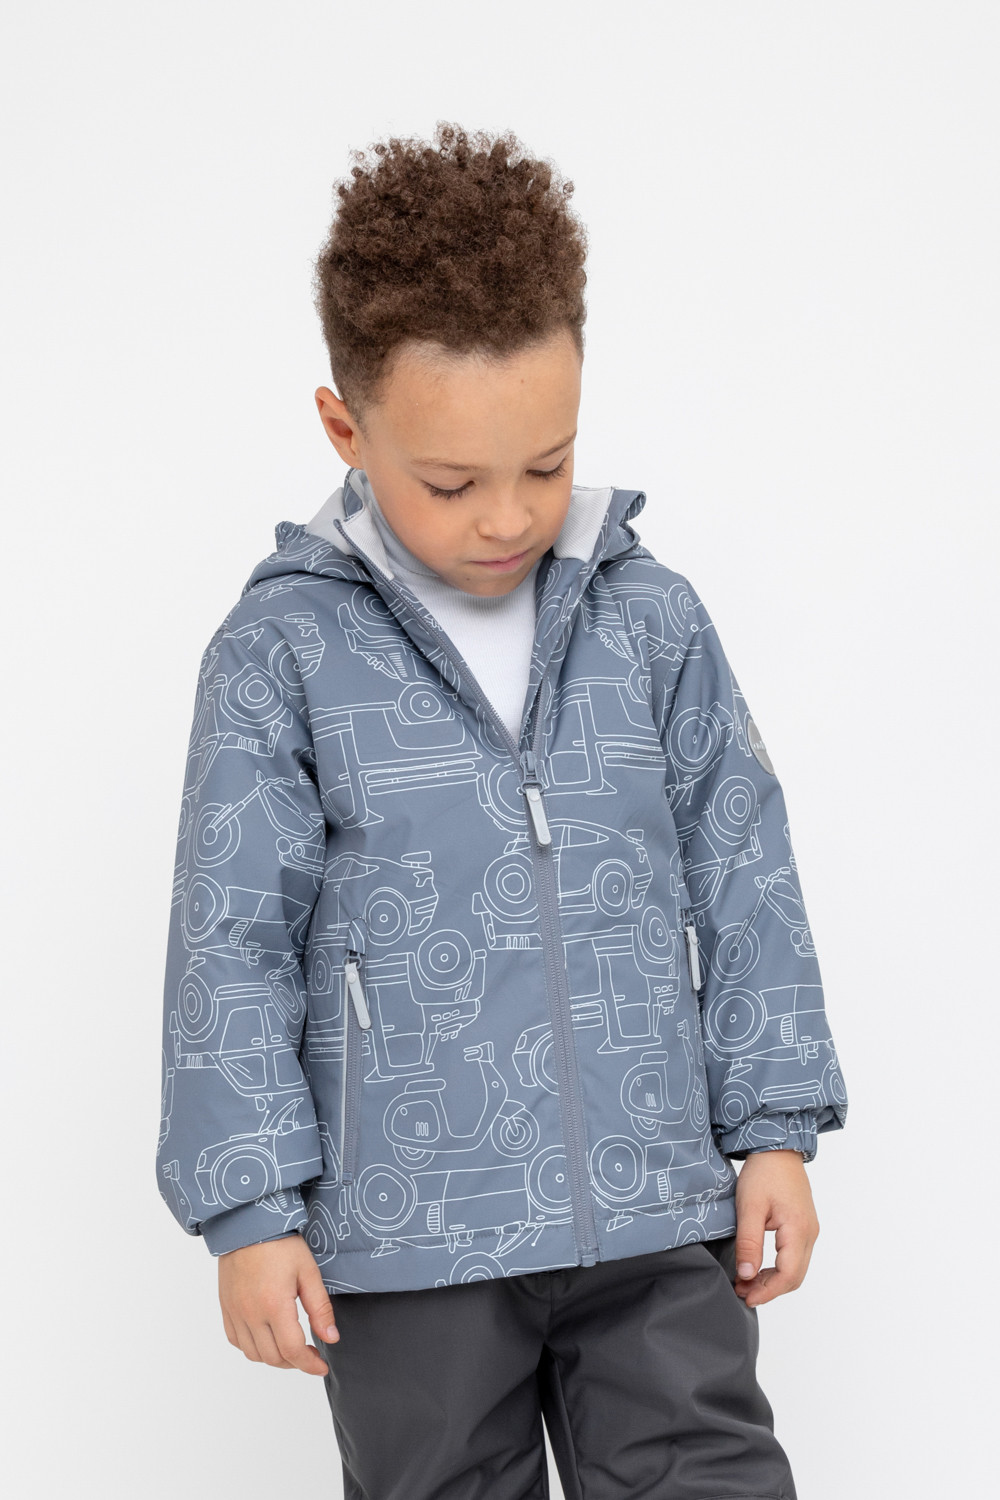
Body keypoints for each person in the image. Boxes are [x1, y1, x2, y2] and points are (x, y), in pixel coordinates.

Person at [156, 121, 848, 1500]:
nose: (507, 518)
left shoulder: (649, 619)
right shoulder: (280, 653)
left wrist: (774, 1127)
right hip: (409, 1236)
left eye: (547, 462)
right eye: (451, 482)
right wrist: (247, 1206)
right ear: (345, 428)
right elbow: (229, 937)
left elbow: (745, 869)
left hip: (654, 1207)